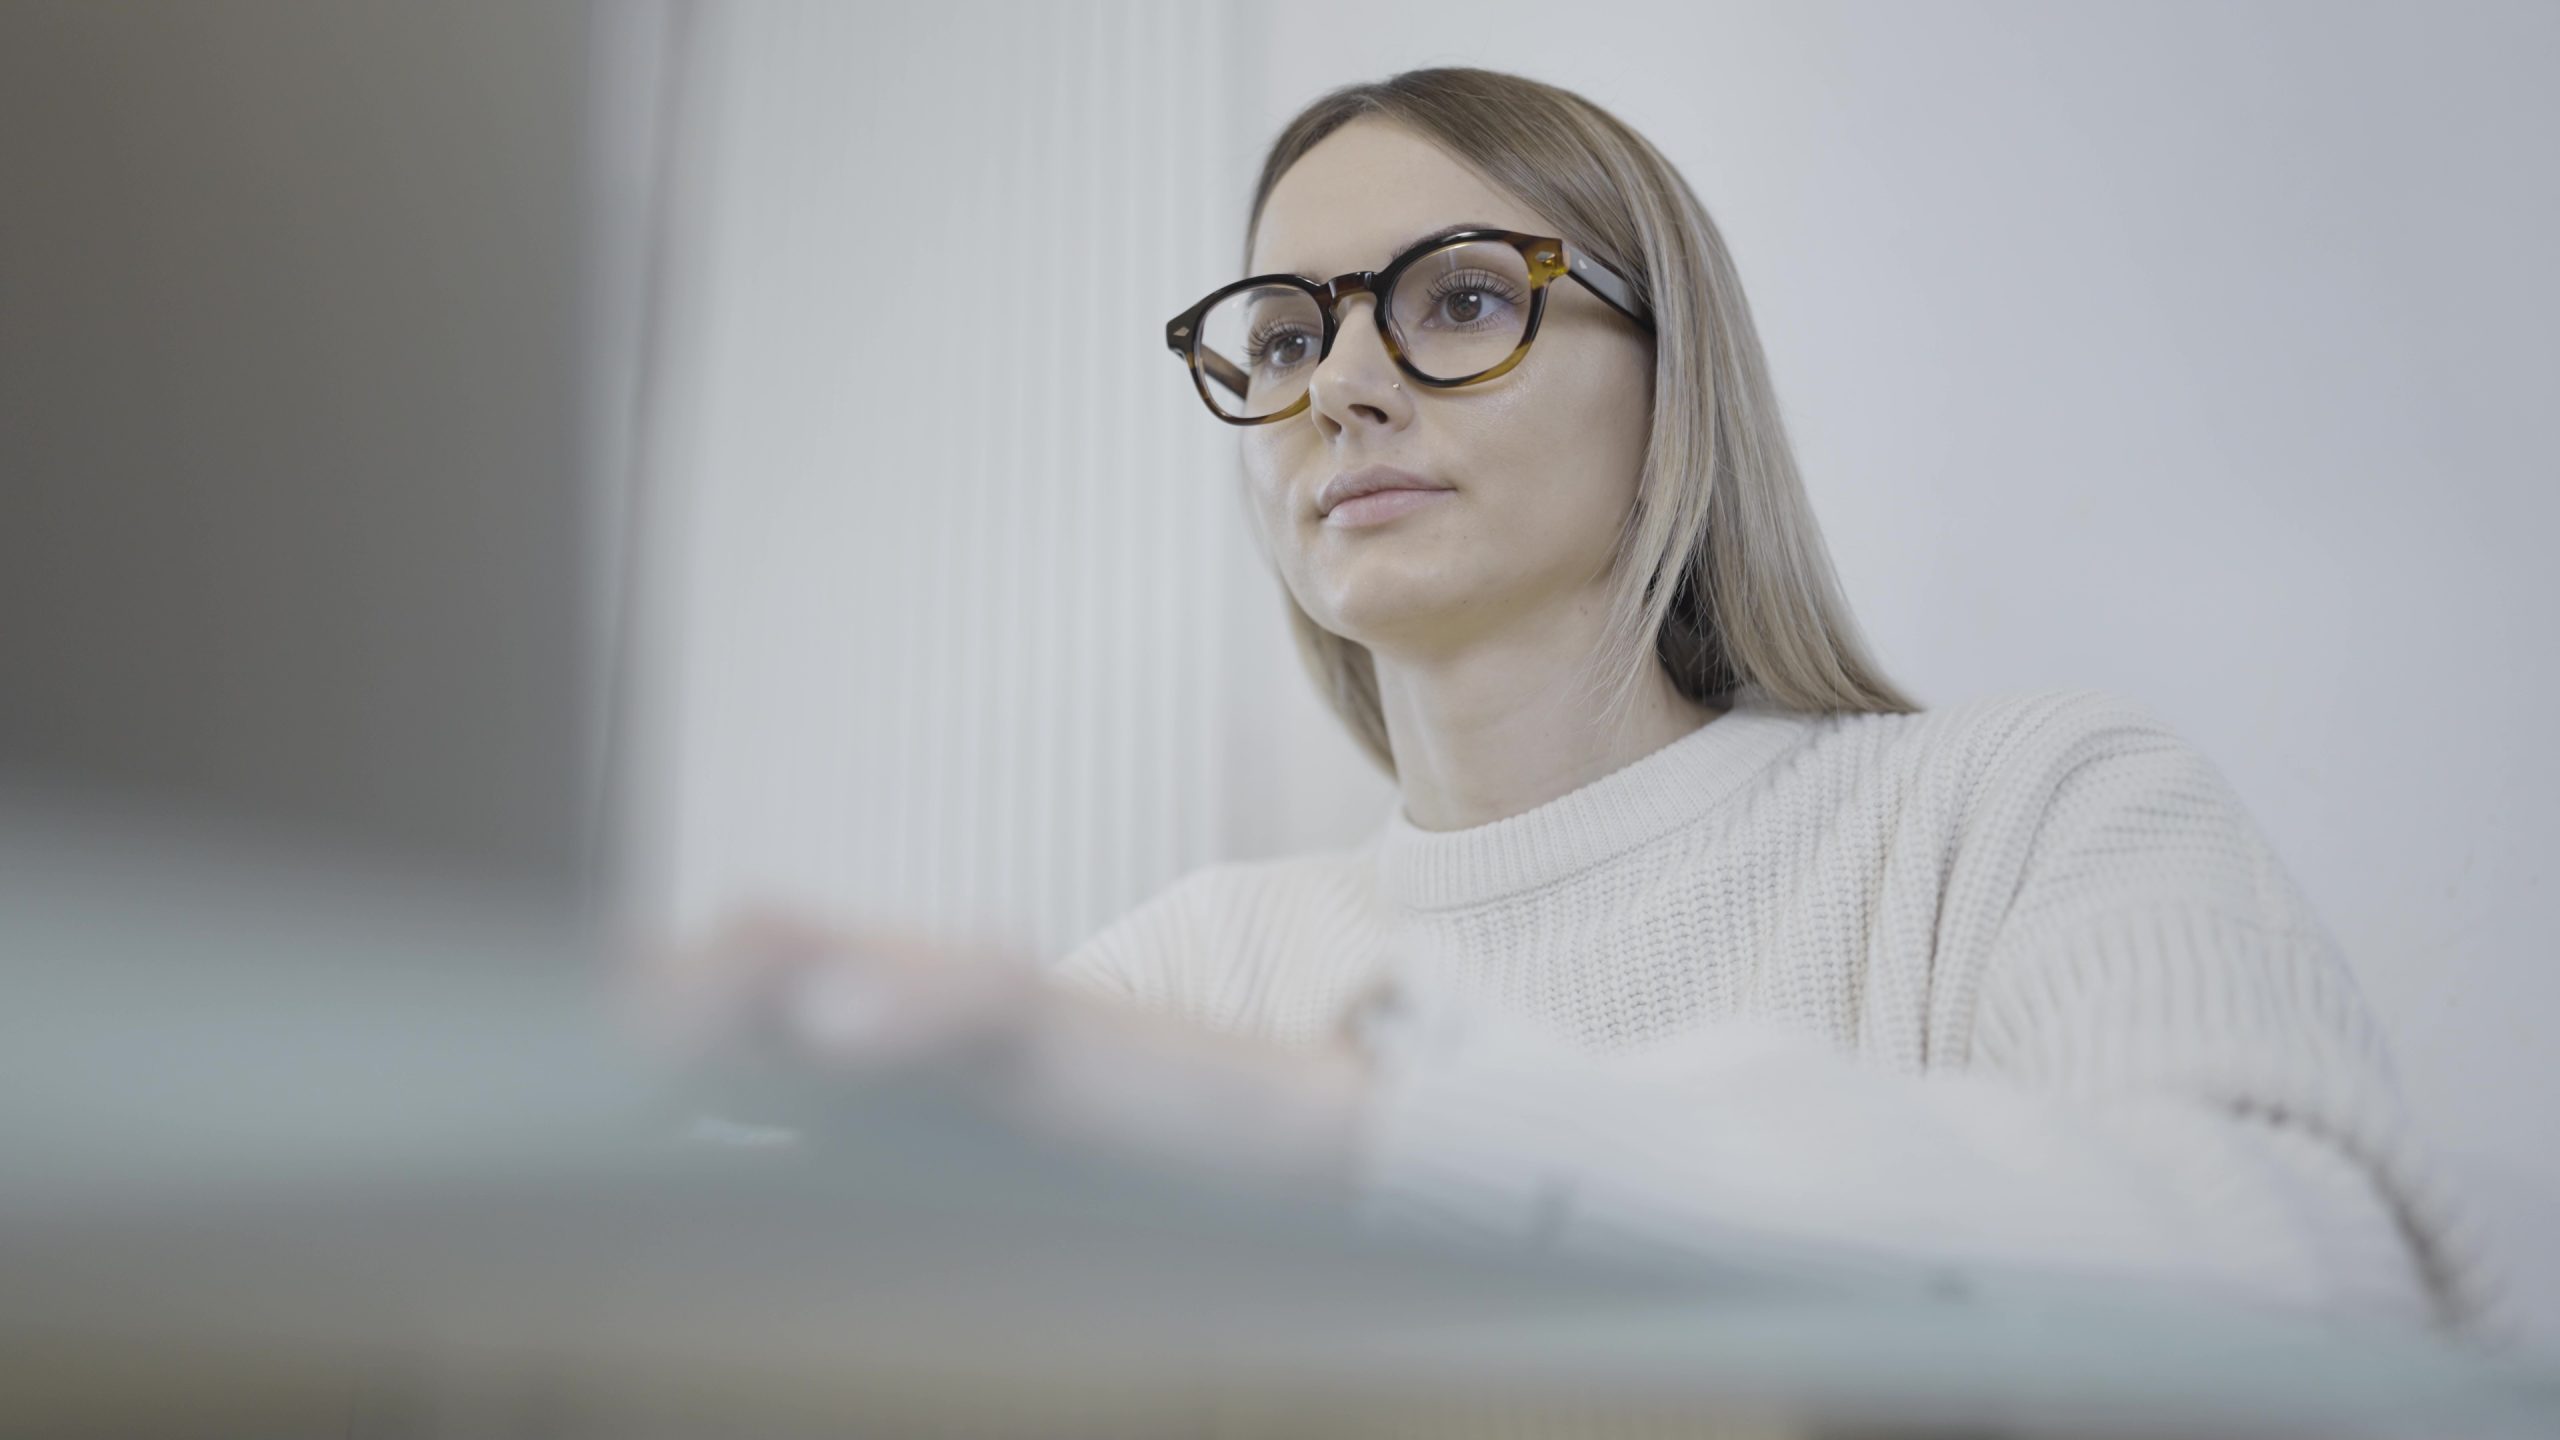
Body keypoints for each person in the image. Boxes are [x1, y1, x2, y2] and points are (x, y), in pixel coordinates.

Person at [640, 66, 2505, 1343]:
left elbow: (2333, 1279)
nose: (1342, 388)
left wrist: (1381, 1135)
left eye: (1457, 301)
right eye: (1282, 337)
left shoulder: (2024, 811)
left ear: (1672, 380)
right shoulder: (1191, 972)